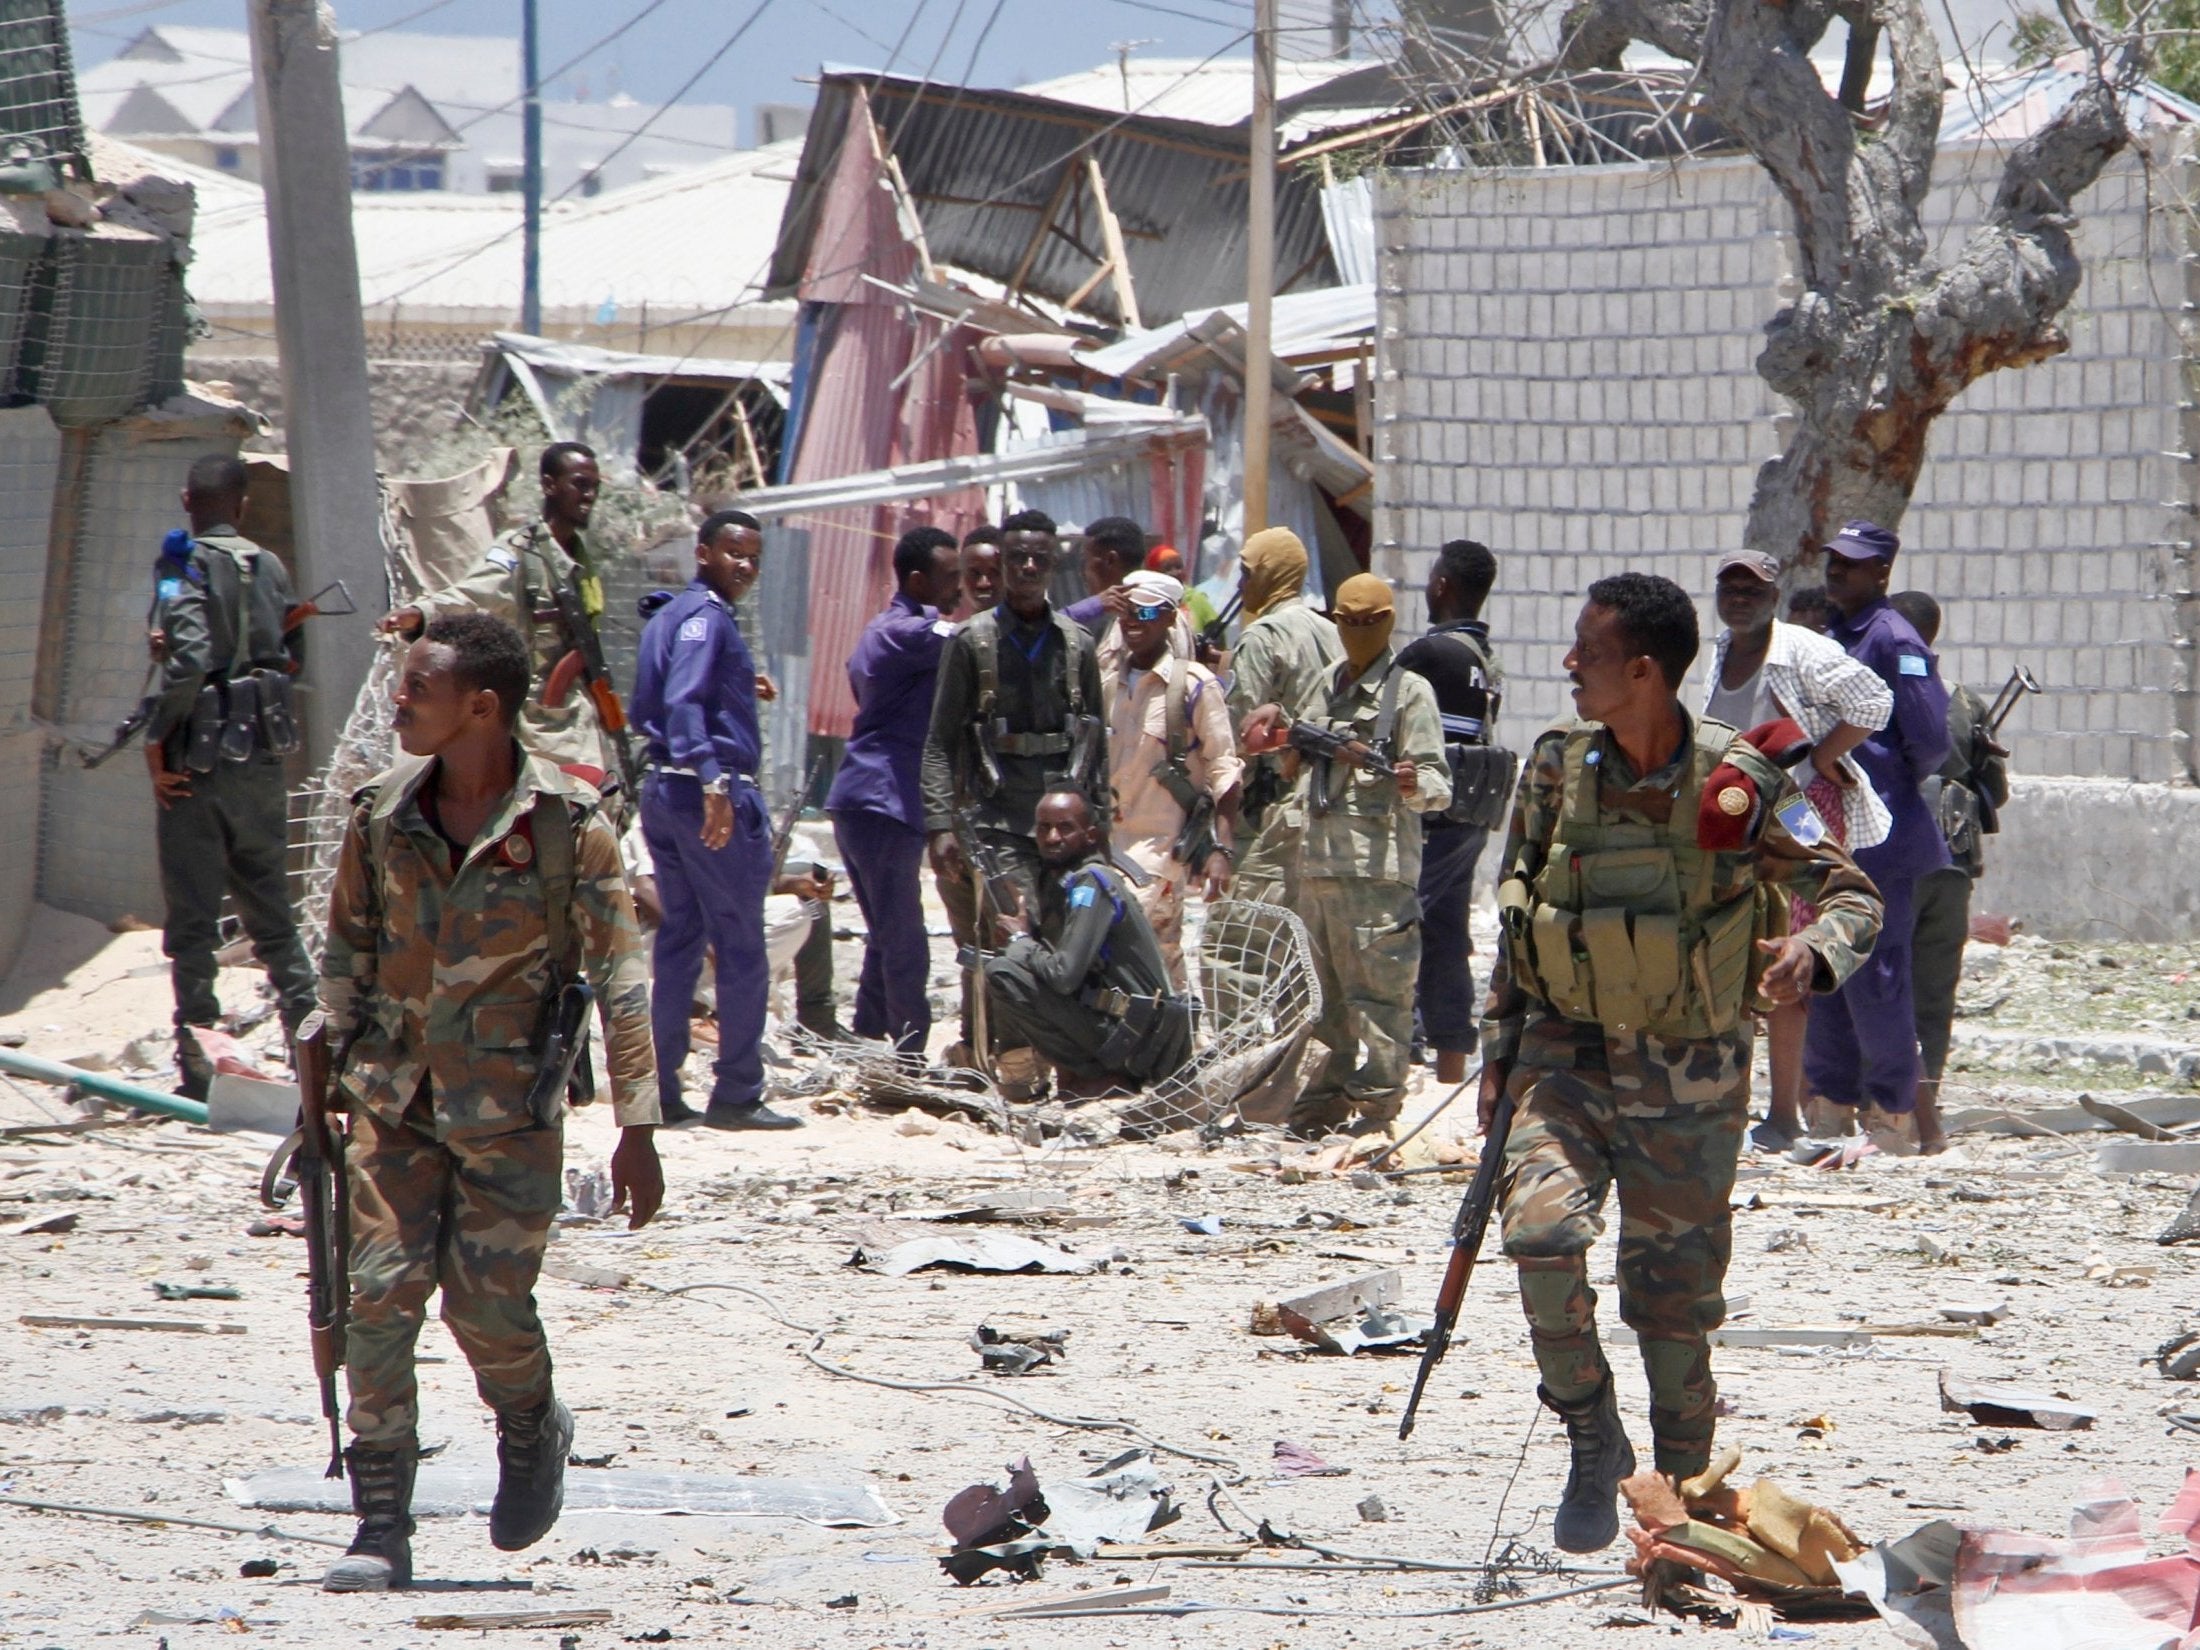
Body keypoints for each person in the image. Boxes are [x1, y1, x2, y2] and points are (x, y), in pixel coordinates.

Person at [1479, 573, 1882, 1552]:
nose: (1568, 665)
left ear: (1644, 669)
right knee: (1538, 1238)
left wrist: (1809, 950)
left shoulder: (1737, 784)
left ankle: (1684, 1488)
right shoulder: (1552, 770)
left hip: (1688, 1076)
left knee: (1672, 1303)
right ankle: (1590, 1436)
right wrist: (1497, 1060)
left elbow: (1851, 897)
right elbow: (1514, 914)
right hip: (1563, 1056)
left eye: (1587, 650)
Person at [315, 612, 663, 1592]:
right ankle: (381, 1526)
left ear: (481, 707)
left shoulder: (567, 823)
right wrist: (323, 1083)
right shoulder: (380, 811)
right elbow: (345, 951)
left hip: (509, 1103)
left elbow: (621, 977)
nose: (396, 701)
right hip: (391, 1093)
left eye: (415, 688)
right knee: (377, 1294)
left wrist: (636, 1127)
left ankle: (529, 1420)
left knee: (486, 1304)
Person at [1242, 573, 1450, 1139]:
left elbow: (1438, 782)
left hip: (1376, 873)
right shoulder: (1326, 687)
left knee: (1380, 1000)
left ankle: (1377, 1111)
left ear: (1387, 623)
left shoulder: (1409, 693)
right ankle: (1320, 1105)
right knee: (1322, 999)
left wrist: (1410, 781)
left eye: (1369, 623)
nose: (1357, 633)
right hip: (1317, 867)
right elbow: (1296, 758)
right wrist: (1282, 742)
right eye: (1348, 623)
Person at [1701, 549, 1895, 1147]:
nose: (1740, 597)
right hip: (1738, 811)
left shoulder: (1801, 650)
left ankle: (1784, 1113)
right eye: (1729, 587)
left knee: (1791, 954)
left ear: (1774, 595)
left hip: (1797, 809)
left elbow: (1874, 702)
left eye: (1751, 588)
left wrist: (1822, 757)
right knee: (1735, 943)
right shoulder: (1721, 651)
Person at [144, 454, 319, 1099]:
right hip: (262, 761)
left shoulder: (181, 562)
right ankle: (315, 1056)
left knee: (192, 925)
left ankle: (197, 1072)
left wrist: (158, 740)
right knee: (274, 923)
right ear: (241, 506)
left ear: (187, 500)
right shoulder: (270, 566)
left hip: (199, 765)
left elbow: (187, 659)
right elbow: (289, 657)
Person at [921, 508, 1108, 1094]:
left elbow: (1096, 737)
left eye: (1039, 558)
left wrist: (1099, 819)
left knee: (1072, 941)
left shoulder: (1077, 644)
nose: (1027, 568)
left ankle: (1075, 1062)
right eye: (1016, 558)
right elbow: (938, 741)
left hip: (1067, 825)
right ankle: (1016, 1064)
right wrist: (938, 824)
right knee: (1011, 937)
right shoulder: (972, 643)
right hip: (998, 819)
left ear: (1055, 565)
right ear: (999, 564)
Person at [629, 510, 801, 1130]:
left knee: (677, 941)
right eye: (734, 554)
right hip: (707, 796)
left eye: (754, 557)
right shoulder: (706, 617)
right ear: (703, 553)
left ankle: (663, 1089)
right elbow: (681, 700)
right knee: (741, 946)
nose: (746, 567)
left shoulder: (669, 614)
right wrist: (714, 781)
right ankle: (737, 1093)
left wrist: (737, 688)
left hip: (663, 794)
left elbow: (660, 695)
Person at [384, 443, 633, 798]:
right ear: (549, 485)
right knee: (555, 805)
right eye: (580, 484)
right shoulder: (521, 551)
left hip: (577, 708)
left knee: (597, 801)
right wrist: (421, 613)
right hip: (539, 718)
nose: (589, 495)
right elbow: (475, 593)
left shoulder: (578, 557)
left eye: (595, 487)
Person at [1811, 521, 1951, 1137]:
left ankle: (1891, 1112)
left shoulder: (1895, 640)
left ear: (1882, 573)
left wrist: (1885, 778)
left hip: (1883, 830)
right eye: (1833, 560)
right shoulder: (1832, 635)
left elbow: (1930, 740)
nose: (1838, 570)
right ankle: (1830, 1105)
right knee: (1825, 964)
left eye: (1853, 563)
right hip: (1828, 827)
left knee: (1878, 969)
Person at [827, 525, 962, 1056]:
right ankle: (909, 1053)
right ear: (916, 580)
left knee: (885, 930)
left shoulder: (887, 632)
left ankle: (866, 1034)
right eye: (951, 577)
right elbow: (983, 636)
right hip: (883, 799)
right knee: (905, 935)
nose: (959, 587)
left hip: (868, 798)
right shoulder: (905, 633)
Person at [977, 787, 1193, 1097]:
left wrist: (1021, 940)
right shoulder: (1068, 882)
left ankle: (1103, 1078)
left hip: (1141, 1039)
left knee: (1004, 972)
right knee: (1013, 966)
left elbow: (1064, 976)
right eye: (1044, 827)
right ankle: (1087, 1076)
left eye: (1065, 827)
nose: (1052, 837)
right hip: (1130, 1028)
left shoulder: (1091, 882)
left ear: (1090, 835)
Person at [1889, 590, 2008, 1155]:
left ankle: (1882, 1109)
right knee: (1933, 992)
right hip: (1952, 866)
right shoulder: (1966, 702)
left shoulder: (1873, 695)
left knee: (1881, 983)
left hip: (1892, 862)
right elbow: (1996, 793)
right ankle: (1924, 1109)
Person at [1396, 537, 1506, 1085]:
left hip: (1429, 813)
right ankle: (1450, 1059)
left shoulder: (1430, 654)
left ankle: (1393, 1050)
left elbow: (1378, 715)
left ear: (1442, 584)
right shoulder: (1485, 659)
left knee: (1395, 923)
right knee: (1445, 931)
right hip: (1470, 813)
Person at [1102, 568, 1241, 986]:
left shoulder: (1195, 686)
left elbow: (1224, 766)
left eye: (1144, 613)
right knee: (1148, 967)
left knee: (1139, 959)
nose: (1132, 623)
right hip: (1109, 847)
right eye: (1126, 612)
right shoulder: (1107, 683)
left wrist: (1222, 848)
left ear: (1167, 617)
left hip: (1162, 854)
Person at [1224, 526, 1343, 906]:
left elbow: (1239, 732)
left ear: (1270, 574)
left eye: (1247, 573)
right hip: (1329, 798)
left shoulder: (1261, 637)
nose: (1241, 585)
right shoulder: (1333, 631)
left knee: (1253, 931)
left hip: (1271, 810)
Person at [1064, 514, 1146, 639]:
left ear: (1110, 560)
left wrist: (1094, 605)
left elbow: (1048, 629)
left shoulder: (1148, 614)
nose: (1082, 573)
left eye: (1085, 560)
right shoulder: (1108, 616)